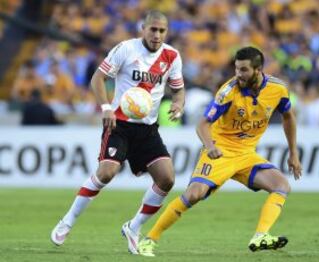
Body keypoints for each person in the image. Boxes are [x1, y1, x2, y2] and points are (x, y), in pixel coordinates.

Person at [137, 46, 302, 257]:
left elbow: (289, 117)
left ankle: (261, 235)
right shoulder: (228, 91)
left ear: (258, 69)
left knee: (281, 186)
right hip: (220, 150)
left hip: (246, 154)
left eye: (243, 70)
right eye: (236, 69)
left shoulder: (278, 89)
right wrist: (211, 147)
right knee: (194, 195)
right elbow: (203, 124)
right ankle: (149, 240)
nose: (238, 75)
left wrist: (293, 153)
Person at [50, 10, 185, 255]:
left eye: (161, 31)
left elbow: (178, 90)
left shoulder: (172, 56)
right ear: (142, 28)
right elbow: (98, 78)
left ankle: (133, 228)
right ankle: (67, 221)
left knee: (167, 179)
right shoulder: (126, 49)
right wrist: (105, 108)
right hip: (119, 124)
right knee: (107, 172)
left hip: (147, 129)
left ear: (167, 32)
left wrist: (178, 104)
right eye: (152, 29)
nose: (156, 35)